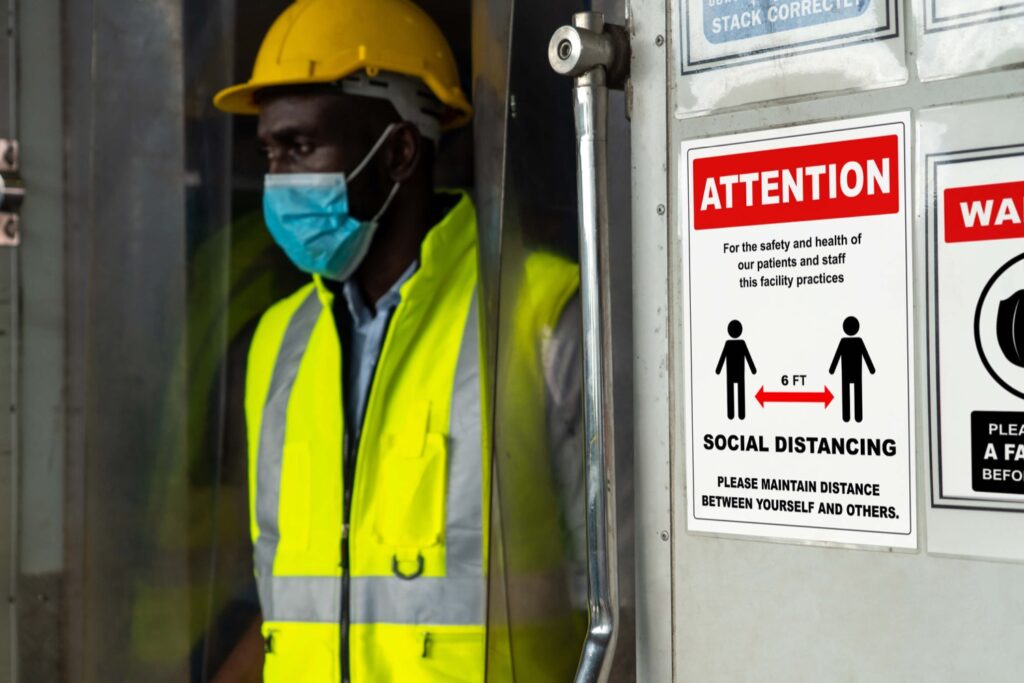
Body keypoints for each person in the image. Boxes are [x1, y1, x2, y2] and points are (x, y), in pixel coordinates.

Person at [211, 1, 584, 681]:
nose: (279, 181)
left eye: (300, 147)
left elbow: (637, 599)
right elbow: (287, 603)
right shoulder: (278, 341)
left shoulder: (540, 316)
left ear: (399, 152)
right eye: (269, 152)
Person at [828, 315, 875, 423]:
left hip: (846, 373)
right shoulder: (857, 342)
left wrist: (832, 369)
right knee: (856, 392)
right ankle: (857, 416)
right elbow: (866, 356)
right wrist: (871, 369)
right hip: (856, 372)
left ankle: (847, 416)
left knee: (847, 393)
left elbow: (837, 356)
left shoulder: (845, 342)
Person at [716, 320, 756, 420]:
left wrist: (718, 369)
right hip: (739, 373)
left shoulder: (729, 344)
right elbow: (748, 357)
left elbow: (722, 357)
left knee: (731, 392)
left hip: (731, 373)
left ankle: (731, 414)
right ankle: (740, 414)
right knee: (740, 392)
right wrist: (753, 369)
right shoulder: (740, 344)